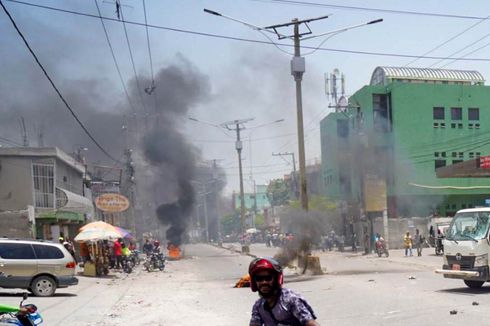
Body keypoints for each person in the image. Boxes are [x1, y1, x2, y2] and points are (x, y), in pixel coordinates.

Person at [248, 257, 320, 326]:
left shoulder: (290, 300)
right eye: (259, 279)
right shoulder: (258, 306)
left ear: (276, 279)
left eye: (268, 278)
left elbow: (310, 322)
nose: (264, 282)